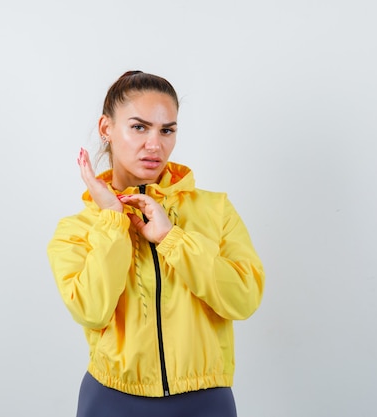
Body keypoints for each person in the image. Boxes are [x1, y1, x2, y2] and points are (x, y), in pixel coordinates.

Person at [47, 70, 265, 417]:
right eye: (139, 127)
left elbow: (243, 300)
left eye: (167, 130)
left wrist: (170, 239)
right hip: (112, 400)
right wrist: (113, 220)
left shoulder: (215, 209)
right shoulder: (77, 229)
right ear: (107, 129)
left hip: (205, 400)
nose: (155, 144)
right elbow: (91, 310)